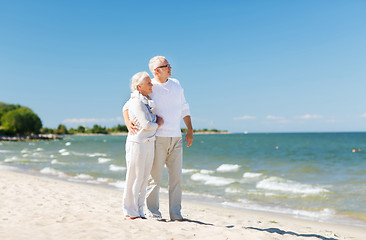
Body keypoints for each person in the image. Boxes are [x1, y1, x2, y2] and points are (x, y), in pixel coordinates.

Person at [123, 56, 193, 221]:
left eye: (169, 65)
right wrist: (127, 122)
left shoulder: (176, 83)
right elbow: (127, 105)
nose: (170, 68)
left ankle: (176, 214)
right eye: (166, 66)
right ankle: (154, 213)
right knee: (154, 179)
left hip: (176, 137)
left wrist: (189, 129)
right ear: (157, 70)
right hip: (157, 139)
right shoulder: (150, 86)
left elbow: (184, 107)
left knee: (176, 179)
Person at [123, 72, 164, 220]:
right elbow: (146, 125)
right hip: (137, 144)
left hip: (148, 143)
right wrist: (158, 124)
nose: (151, 85)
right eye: (149, 83)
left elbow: (124, 109)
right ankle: (130, 210)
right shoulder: (136, 101)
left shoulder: (146, 101)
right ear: (139, 87)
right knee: (134, 177)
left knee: (144, 177)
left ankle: (139, 210)